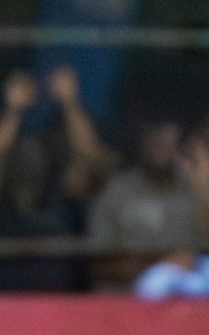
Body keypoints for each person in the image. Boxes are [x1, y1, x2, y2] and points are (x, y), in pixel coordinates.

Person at [0, 65, 112, 291]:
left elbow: (88, 156)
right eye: (21, 148)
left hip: (59, 301)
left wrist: (70, 104)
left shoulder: (62, 194)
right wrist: (13, 110)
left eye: (37, 149)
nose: (29, 153)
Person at [88, 115, 209, 291]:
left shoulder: (193, 187)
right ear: (141, 139)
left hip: (192, 292)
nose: (161, 142)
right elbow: (98, 263)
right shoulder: (118, 191)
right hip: (126, 295)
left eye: (168, 137)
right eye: (155, 134)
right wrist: (162, 266)